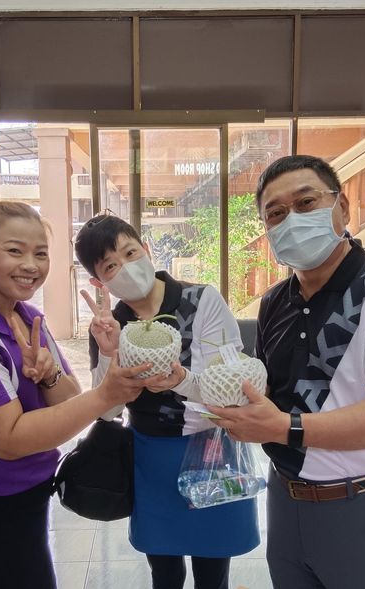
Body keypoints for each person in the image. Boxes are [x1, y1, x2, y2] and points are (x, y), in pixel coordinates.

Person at [209, 155, 365, 589]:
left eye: (306, 202)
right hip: (286, 496)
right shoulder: (274, 301)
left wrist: (283, 428)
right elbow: (266, 392)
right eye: (275, 213)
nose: (291, 219)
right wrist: (182, 383)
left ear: (343, 208)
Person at [0, 201, 154, 589]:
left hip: (26, 494)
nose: (31, 265)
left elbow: (66, 399)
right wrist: (105, 394)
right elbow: (9, 440)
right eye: (15, 251)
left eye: (40, 254)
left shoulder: (26, 317)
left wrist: (47, 376)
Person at [74, 213, 260, 589]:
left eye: (130, 252)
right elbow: (107, 411)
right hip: (151, 456)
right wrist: (110, 355)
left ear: (145, 248)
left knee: (212, 570)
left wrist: (182, 381)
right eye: (111, 266)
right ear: (99, 281)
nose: (126, 267)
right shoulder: (111, 324)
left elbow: (231, 389)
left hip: (211, 451)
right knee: (165, 571)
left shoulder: (201, 300)